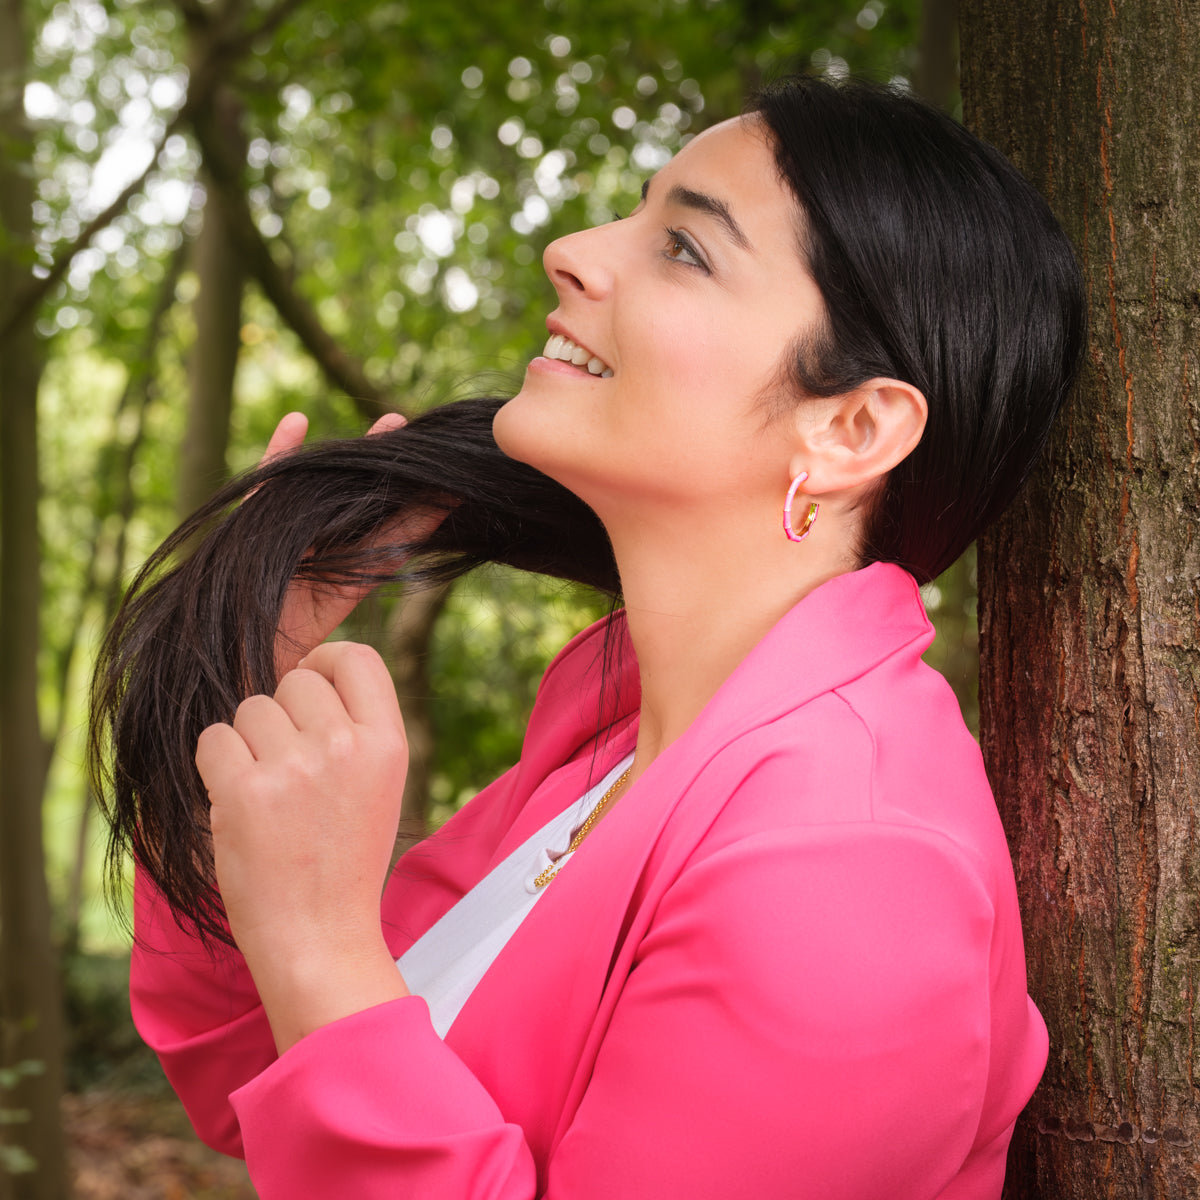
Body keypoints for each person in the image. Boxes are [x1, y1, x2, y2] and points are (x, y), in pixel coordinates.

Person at [91, 74, 1086, 1199]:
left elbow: (327, 1021)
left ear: (852, 427)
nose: (572, 249)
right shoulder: (614, 741)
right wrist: (238, 684)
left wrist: (327, 944)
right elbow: (258, 1083)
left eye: (686, 249)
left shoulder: (849, 864)